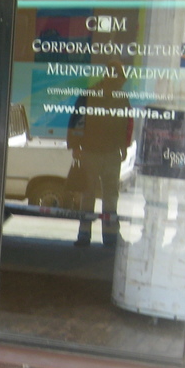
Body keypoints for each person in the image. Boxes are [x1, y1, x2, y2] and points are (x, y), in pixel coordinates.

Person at [67, 61, 133, 247]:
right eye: (120, 78)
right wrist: (76, 146)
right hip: (93, 151)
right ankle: (88, 234)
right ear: (111, 78)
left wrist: (124, 146)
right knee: (92, 195)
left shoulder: (117, 97)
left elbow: (127, 124)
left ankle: (104, 235)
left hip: (106, 152)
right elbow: (78, 120)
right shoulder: (93, 96)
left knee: (109, 195)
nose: (122, 82)